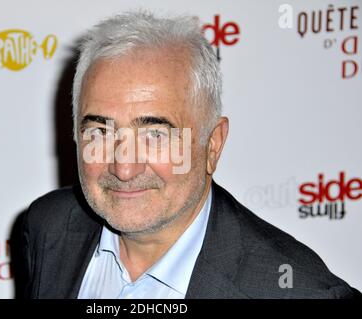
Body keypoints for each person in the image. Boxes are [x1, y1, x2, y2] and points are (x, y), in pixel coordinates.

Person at [21, 10, 360, 299]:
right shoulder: (47, 227)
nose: (124, 166)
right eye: (101, 132)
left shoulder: (298, 290)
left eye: (155, 134)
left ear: (212, 145)